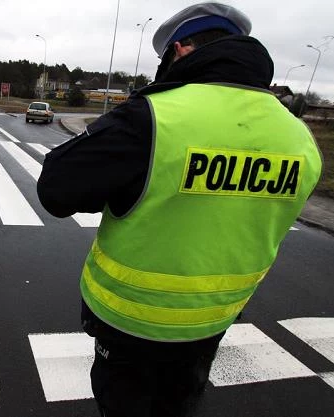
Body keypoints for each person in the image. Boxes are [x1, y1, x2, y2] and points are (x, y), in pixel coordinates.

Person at [37, 3, 323, 417]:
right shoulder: (299, 137)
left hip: (130, 326)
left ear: (182, 52)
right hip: (213, 322)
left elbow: (56, 190)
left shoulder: (153, 115)